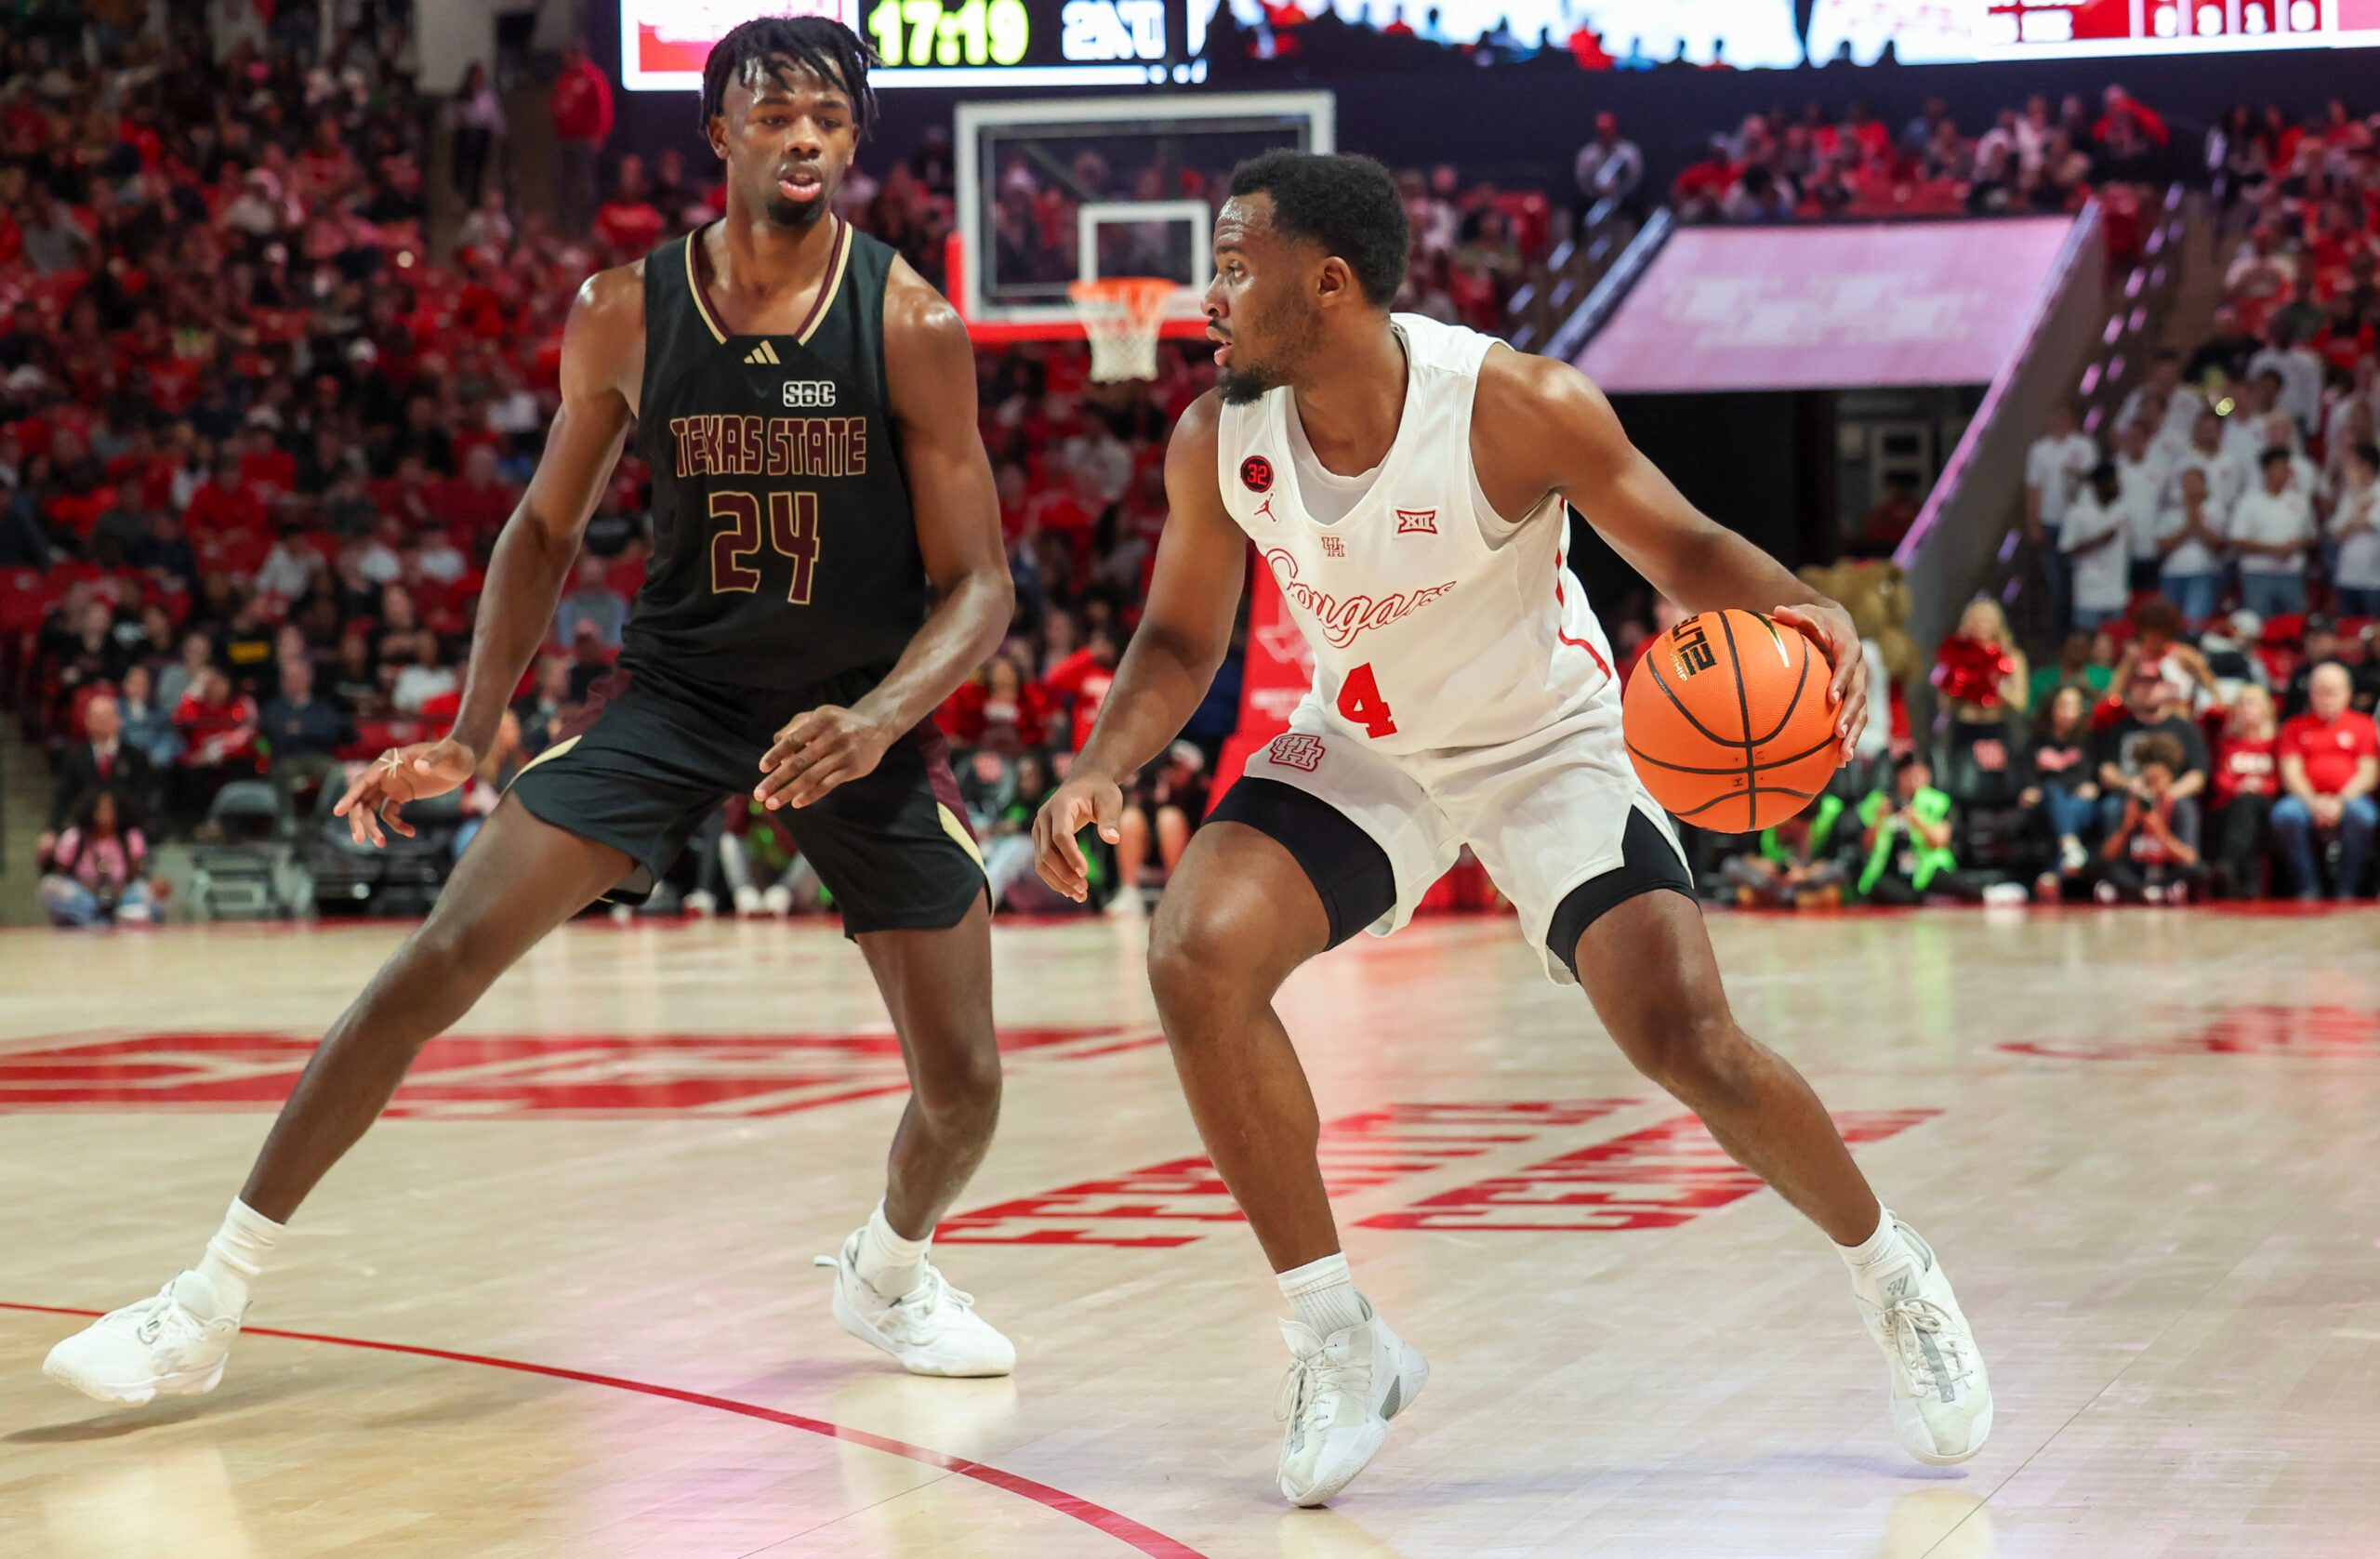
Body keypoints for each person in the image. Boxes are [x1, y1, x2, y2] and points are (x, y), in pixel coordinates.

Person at [46, 18, 1019, 1407]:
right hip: (677, 700)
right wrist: (469, 722)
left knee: (967, 1088)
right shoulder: (623, 307)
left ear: (856, 140)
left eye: (828, 115)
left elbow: (981, 586)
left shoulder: (909, 322)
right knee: (434, 960)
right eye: (774, 110)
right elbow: (542, 527)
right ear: (718, 133)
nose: (803, 135)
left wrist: (876, 719)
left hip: (849, 721)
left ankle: (890, 1273)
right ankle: (203, 1302)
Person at [1030, 152, 1990, 1506]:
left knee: (1686, 1037)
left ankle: (1896, 1274)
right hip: (1371, 742)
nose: (1209, 295)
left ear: (1331, 282)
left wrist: (1803, 605)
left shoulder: (1511, 404)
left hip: (1549, 742)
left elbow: (1686, 546)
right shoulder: (1221, 438)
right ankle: (1337, 1335)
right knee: (1195, 952)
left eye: (1237, 267)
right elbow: (1181, 637)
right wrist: (1100, 767)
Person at [2269, 663, 2379, 900]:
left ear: (2347, 693)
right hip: (2306, 799)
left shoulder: (2364, 726)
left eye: (2333, 691)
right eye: (2320, 691)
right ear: (2311, 694)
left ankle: (2347, 888)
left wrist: (2339, 802)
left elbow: (2368, 773)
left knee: (2364, 816)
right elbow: (2291, 773)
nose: (2326, 698)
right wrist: (2314, 802)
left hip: (2350, 798)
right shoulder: (2294, 727)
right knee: (2285, 815)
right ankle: (2308, 887)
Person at [2094, 732, 2203, 903]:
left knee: (2198, 870)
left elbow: (2189, 858)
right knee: (2101, 867)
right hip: (2134, 870)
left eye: (2157, 780)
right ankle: (2146, 891)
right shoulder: (2124, 804)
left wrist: (2159, 832)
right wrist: (2127, 826)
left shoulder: (2181, 807)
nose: (2152, 787)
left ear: (2169, 779)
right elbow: (2107, 856)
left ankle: (2151, 890)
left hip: (2166, 870)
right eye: (2148, 780)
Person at [2025, 401, 2096, 633]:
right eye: (2056, 417)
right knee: (2056, 581)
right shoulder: (2040, 450)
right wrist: (2033, 522)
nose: (2060, 422)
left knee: (2080, 578)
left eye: (2065, 418)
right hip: (2051, 522)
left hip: (2080, 523)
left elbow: (2095, 481)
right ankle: (2062, 631)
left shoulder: (2084, 446)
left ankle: (2081, 629)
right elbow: (2033, 488)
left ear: (2073, 421)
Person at [39, 791, 158, 928]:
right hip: (85, 899)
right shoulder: (75, 837)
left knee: (145, 891)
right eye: (101, 809)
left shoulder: (129, 838)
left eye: (109, 810)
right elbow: (61, 875)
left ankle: (119, 918)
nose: (104, 815)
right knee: (50, 886)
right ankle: (95, 919)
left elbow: (134, 878)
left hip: (120, 898)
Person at [2019, 684, 2098, 888]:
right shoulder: (2035, 743)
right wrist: (2031, 791)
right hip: (2044, 807)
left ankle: (2060, 862)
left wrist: (2047, 787)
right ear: (2051, 709)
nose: (2069, 712)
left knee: (2060, 796)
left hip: (2080, 807)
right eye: (2064, 705)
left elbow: (2089, 780)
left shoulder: (2088, 741)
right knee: (2054, 794)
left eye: (2075, 706)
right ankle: (2068, 852)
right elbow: (2026, 779)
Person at [2228, 447, 2316, 620]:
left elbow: (2311, 537)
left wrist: (2295, 545)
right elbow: (2237, 542)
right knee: (2259, 626)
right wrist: (2275, 549)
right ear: (2267, 471)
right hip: (2257, 574)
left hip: (2291, 574)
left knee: (2295, 625)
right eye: (2280, 468)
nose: (2285, 473)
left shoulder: (2300, 499)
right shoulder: (2249, 501)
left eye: (2287, 468)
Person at [2209, 684, 2281, 897]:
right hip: (2231, 805)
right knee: (2243, 810)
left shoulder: (2275, 742)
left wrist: (2260, 786)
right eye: (2242, 704)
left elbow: (2278, 779)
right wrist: (2239, 787)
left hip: (2264, 805)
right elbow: (2220, 777)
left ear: (2266, 709)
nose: (2247, 709)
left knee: (2248, 807)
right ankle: (2247, 885)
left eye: (2253, 703)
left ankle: (2228, 865)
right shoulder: (2227, 742)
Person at [2060, 462, 2131, 632]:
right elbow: (2065, 551)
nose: (2118, 486)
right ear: (2101, 484)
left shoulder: (2122, 510)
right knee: (2087, 648)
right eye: (2114, 481)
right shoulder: (2077, 512)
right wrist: (2099, 541)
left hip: (2116, 595)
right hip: (2088, 595)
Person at [2154, 464, 2226, 624]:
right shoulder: (2170, 511)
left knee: (2195, 624)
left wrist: (2196, 522)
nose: (2191, 486)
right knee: (2170, 624)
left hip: (2203, 572)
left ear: (2204, 484)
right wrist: (2187, 528)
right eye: (2187, 482)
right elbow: (2161, 547)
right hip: (2172, 573)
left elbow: (2219, 547)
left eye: (2195, 481)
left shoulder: (2215, 509)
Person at [2328, 441, 2380, 619]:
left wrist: (2355, 522)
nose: (2347, 471)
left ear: (2365, 466)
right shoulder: (2348, 495)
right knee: (2345, 631)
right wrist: (2360, 511)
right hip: (2347, 577)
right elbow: (2338, 533)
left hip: (2374, 581)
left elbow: (2371, 524)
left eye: (2351, 465)